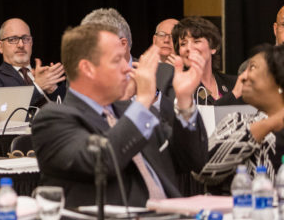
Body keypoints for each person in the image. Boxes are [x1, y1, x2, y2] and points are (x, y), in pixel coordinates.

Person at [32, 23, 208, 208]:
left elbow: (192, 161)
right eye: (117, 60)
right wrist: (144, 99)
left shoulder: (133, 112)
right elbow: (102, 162)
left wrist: (184, 99)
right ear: (88, 68)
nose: (127, 68)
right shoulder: (53, 120)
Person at [196, 44, 284, 190]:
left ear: (278, 79)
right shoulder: (237, 122)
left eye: (253, 68)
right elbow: (203, 170)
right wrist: (269, 123)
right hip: (246, 211)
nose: (242, 77)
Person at [0, 18, 65, 109]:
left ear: (31, 43)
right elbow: (0, 110)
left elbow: (72, 111)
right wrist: (38, 87)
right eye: (12, 39)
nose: (21, 45)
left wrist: (53, 90)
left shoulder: (46, 76)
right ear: (0, 46)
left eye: (25, 38)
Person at [172, 16, 234, 104]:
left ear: (213, 47)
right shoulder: (174, 86)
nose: (189, 48)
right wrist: (234, 94)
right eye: (183, 44)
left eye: (196, 41)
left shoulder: (233, 84)